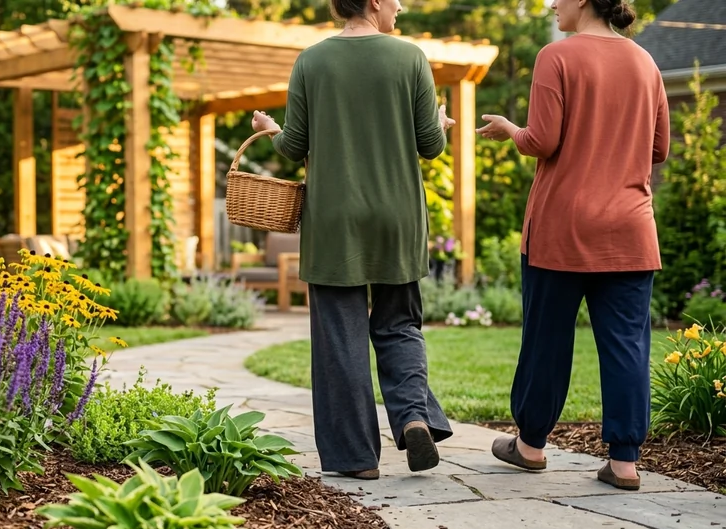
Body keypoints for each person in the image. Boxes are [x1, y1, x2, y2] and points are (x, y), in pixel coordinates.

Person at [250, 0, 455, 480]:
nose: (401, 5)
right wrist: (441, 123)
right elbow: (431, 145)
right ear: (376, 1)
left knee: (340, 338)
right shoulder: (411, 59)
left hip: (334, 220)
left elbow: (294, 145)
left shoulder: (311, 61)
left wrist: (271, 130)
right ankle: (412, 416)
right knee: (399, 324)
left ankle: (356, 458)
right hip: (397, 215)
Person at [476, 0, 669, 491]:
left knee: (547, 338)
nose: (552, 4)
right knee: (627, 345)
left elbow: (541, 139)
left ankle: (530, 446)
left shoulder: (556, 56)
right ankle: (624, 462)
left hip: (562, 229)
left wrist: (509, 131)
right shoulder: (645, 61)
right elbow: (659, 149)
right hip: (630, 230)